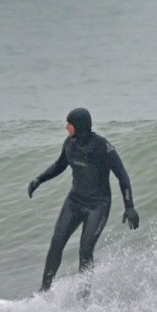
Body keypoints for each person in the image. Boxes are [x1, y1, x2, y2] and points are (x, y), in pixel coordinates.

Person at [28, 107, 140, 295]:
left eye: (69, 124)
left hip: (98, 205)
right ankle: (44, 291)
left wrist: (129, 206)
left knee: (85, 249)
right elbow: (59, 165)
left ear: (78, 126)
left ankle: (83, 297)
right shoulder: (70, 144)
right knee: (56, 242)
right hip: (74, 201)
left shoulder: (103, 147)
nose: (66, 127)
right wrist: (39, 179)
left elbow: (122, 175)